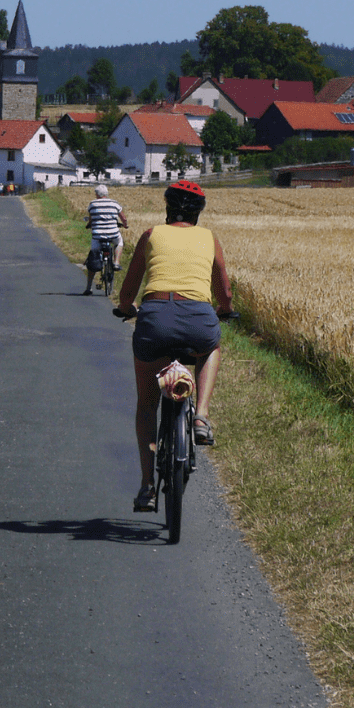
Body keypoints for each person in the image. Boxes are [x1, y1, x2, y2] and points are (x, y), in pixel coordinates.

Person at [114, 180, 233, 512]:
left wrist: (126, 308)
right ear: (198, 212)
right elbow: (223, 287)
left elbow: (129, 288)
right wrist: (224, 309)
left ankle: (147, 487)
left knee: (147, 406)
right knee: (211, 348)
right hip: (198, 319)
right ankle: (202, 418)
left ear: (168, 209)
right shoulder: (209, 238)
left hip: (154, 321)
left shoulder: (152, 235)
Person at [82, 183, 128, 295]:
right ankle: (116, 262)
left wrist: (88, 225)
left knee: (93, 258)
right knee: (119, 242)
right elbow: (123, 218)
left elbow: (91, 219)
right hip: (113, 233)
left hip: (97, 235)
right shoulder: (114, 203)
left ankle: (88, 288)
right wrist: (125, 225)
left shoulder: (92, 204)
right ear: (106, 193)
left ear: (97, 194)